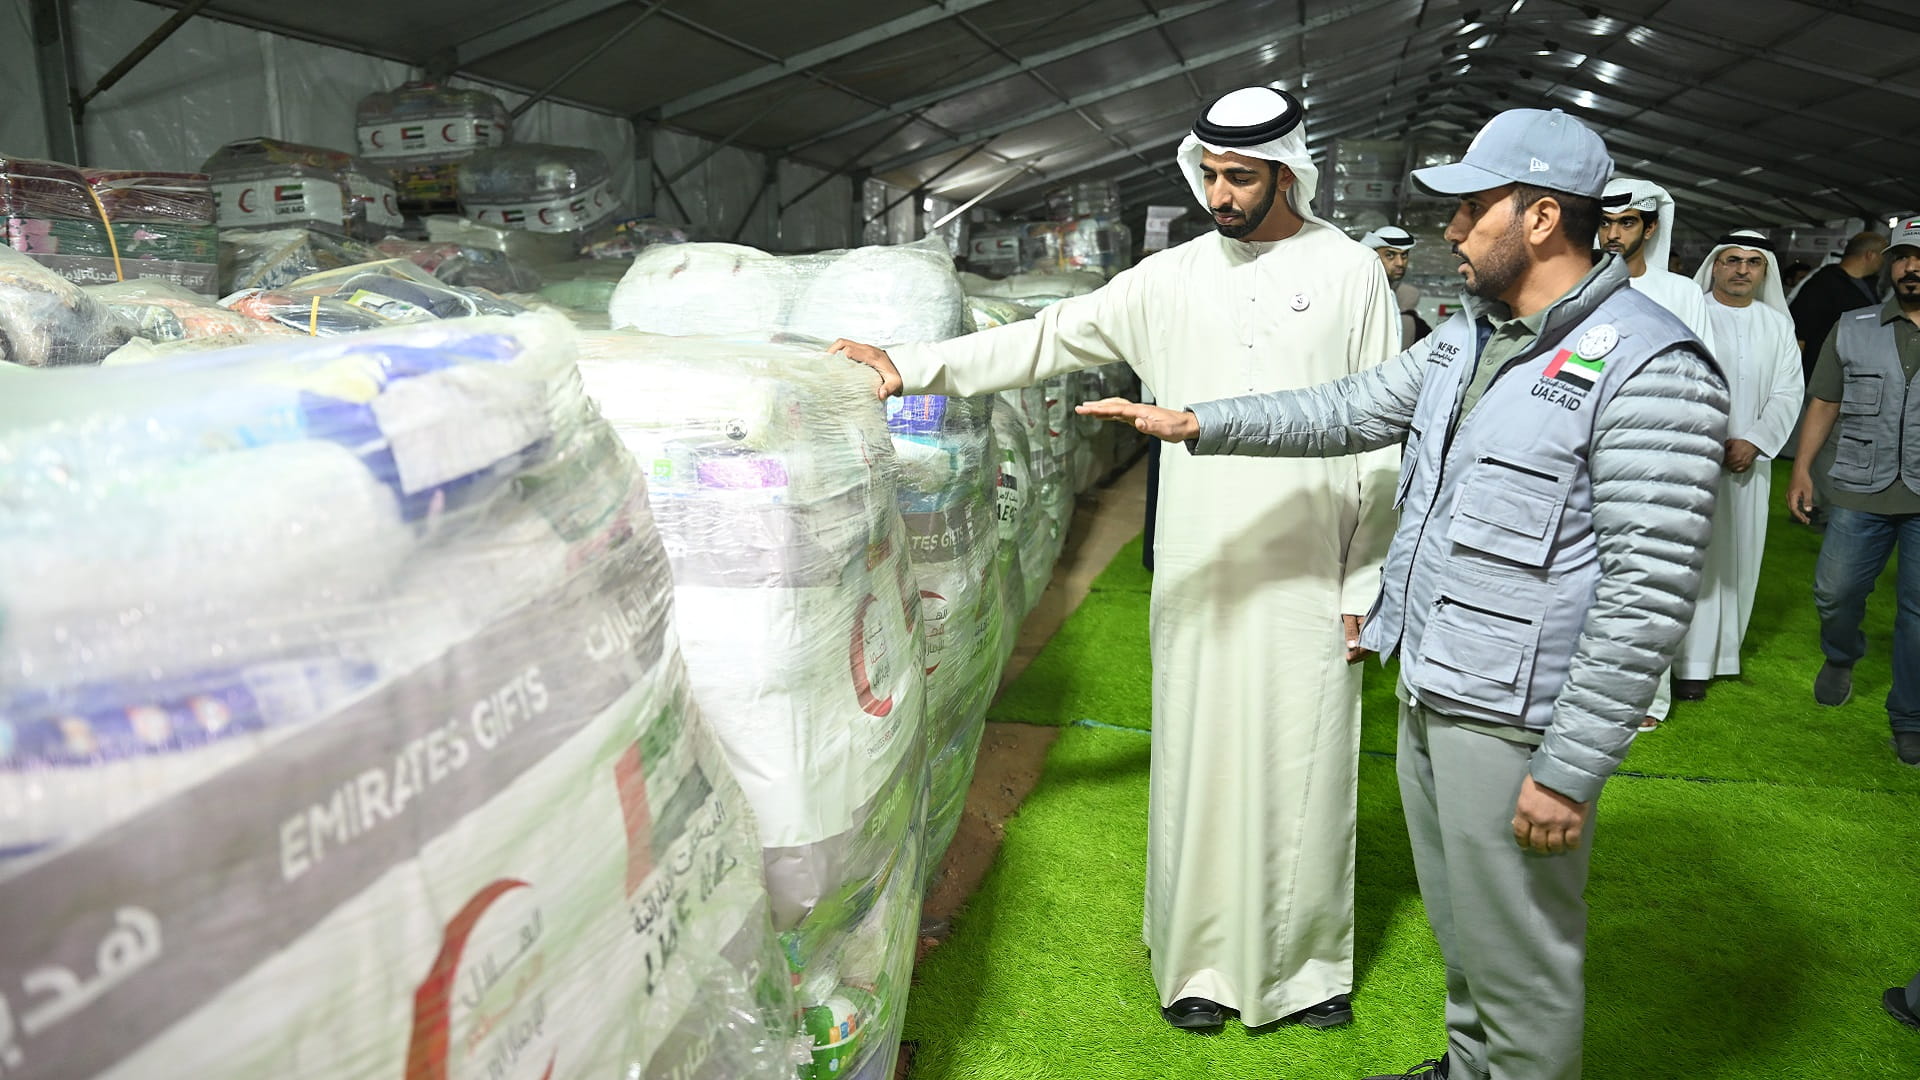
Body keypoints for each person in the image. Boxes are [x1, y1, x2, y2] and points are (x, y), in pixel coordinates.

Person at [1079, 107, 1729, 1080]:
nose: (1452, 232)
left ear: (1543, 216)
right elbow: (1348, 407)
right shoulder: (1476, 338)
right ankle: (1470, 1067)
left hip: (1519, 718)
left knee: (1525, 958)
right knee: (1469, 932)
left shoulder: (1650, 364)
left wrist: (1571, 765)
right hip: (1436, 684)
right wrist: (1198, 420)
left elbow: (1649, 590)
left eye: (1472, 210)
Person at [832, 86, 1401, 1033]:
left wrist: (1364, 577)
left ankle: (1307, 971)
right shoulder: (1169, 277)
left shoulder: (1351, 275)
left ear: (1288, 171)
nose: (1221, 193)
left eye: (1241, 177)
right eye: (1209, 174)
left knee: (1306, 761)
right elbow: (1047, 339)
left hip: (1312, 555)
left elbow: (1380, 436)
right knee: (1197, 756)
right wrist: (911, 365)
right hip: (1199, 554)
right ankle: (1198, 966)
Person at [1785, 218, 1920, 767]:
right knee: (1835, 593)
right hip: (1859, 487)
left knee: (1918, 612)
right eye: (1904, 257)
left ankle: (1909, 717)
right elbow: (1824, 401)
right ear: (1890, 264)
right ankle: (1841, 654)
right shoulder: (1853, 325)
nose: (1913, 268)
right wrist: (1802, 470)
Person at [1597, 176, 1719, 729]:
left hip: (1656, 449)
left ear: (1649, 227)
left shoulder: (1682, 294)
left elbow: (1699, 376)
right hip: (1584, 445)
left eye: (1626, 223)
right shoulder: (1577, 284)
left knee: (1644, 574)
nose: (1614, 234)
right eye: (1605, 222)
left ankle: (1647, 699)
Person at [1667, 231, 1805, 701]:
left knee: (1739, 560)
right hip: (1692, 457)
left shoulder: (1777, 325)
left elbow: (1789, 392)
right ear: (1716, 266)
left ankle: (1717, 657)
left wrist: (1757, 440)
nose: (1742, 270)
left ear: (1765, 271)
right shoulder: (1692, 313)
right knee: (1691, 561)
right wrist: (1710, 438)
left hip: (1751, 465)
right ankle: (1681, 663)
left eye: (1753, 262)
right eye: (1732, 260)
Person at [1791, 231, 1887, 379]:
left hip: (1856, 375)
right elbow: (1799, 335)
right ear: (1870, 255)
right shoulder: (1823, 284)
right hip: (1822, 377)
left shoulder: (1868, 285)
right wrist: (1792, 380)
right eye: (1883, 255)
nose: (1884, 262)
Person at [1362, 225, 1433, 349]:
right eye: (1390, 255)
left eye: (1404, 255)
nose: (1400, 263)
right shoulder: (1359, 293)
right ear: (1373, 255)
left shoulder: (1397, 296)